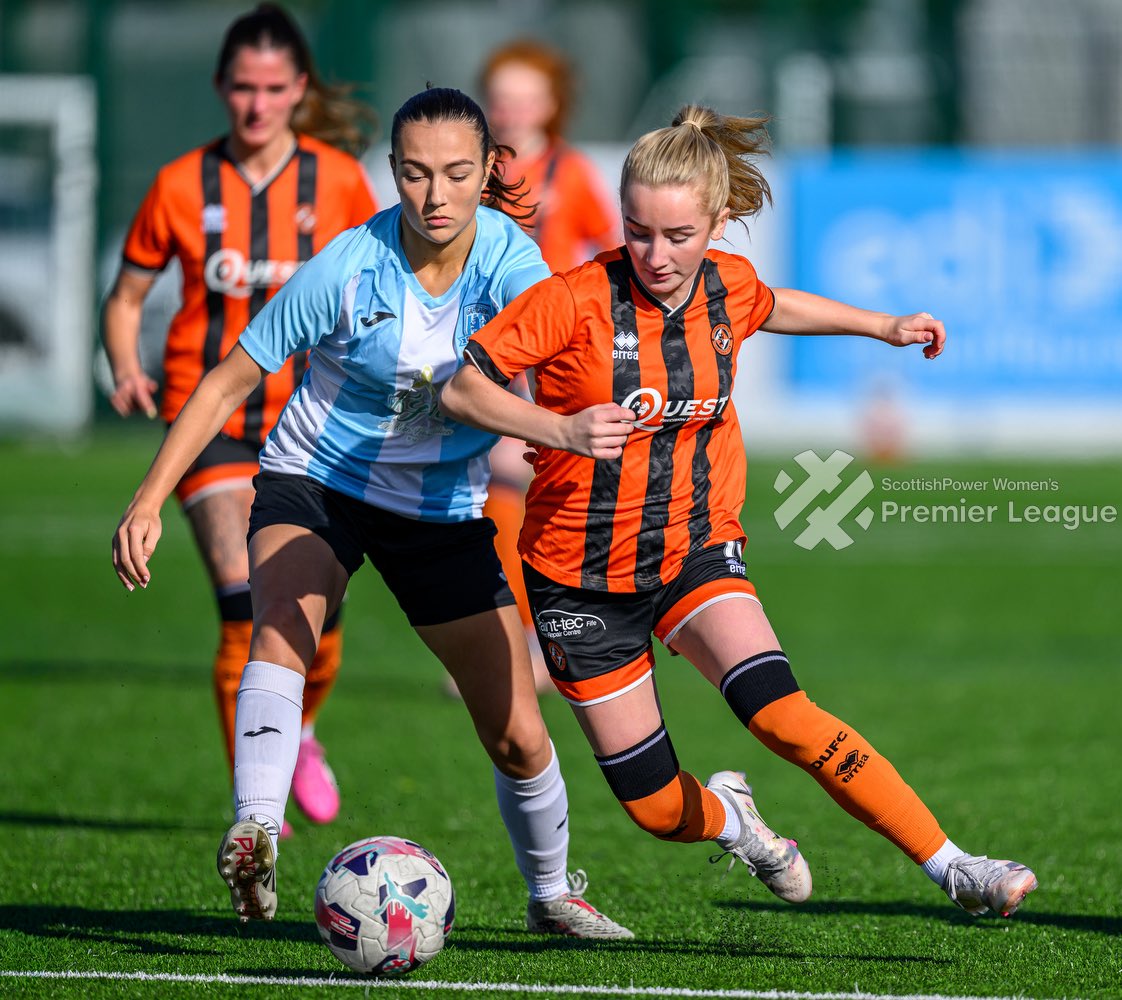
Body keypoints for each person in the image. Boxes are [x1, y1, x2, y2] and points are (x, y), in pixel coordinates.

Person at [440, 104, 1039, 919]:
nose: (656, 254)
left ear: (717, 222)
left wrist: (883, 326)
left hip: (695, 549)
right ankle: (739, 824)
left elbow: (774, 303)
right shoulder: (571, 300)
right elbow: (461, 385)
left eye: (679, 236)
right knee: (655, 810)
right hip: (577, 579)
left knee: (782, 715)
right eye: (639, 231)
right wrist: (559, 427)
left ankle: (955, 866)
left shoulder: (728, 284)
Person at [111, 85, 632, 939]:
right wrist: (148, 500)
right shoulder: (348, 266)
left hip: (440, 509)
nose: (435, 196)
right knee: (279, 616)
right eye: (417, 174)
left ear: (489, 171)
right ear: (391, 172)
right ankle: (256, 828)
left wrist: (577, 433)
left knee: (518, 738)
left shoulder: (515, 268)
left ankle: (550, 893)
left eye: (458, 174)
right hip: (318, 479)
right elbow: (227, 381)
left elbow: (569, 372)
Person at [102, 3, 378, 835]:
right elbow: (126, 299)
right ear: (221, 86)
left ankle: (300, 728)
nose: (256, 106)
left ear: (300, 90)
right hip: (212, 421)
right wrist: (124, 363)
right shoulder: (181, 185)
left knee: (315, 620)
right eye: (242, 88)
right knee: (244, 602)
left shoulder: (335, 181)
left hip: (315, 426)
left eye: (273, 89)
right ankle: (256, 811)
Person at [465, 40, 622, 695]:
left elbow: (611, 255)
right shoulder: (467, 171)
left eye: (525, 96)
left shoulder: (571, 172)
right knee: (495, 492)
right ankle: (512, 647)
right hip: (486, 348)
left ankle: (548, 643)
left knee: (547, 493)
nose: (510, 108)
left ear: (550, 105)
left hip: (552, 356)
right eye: (500, 95)